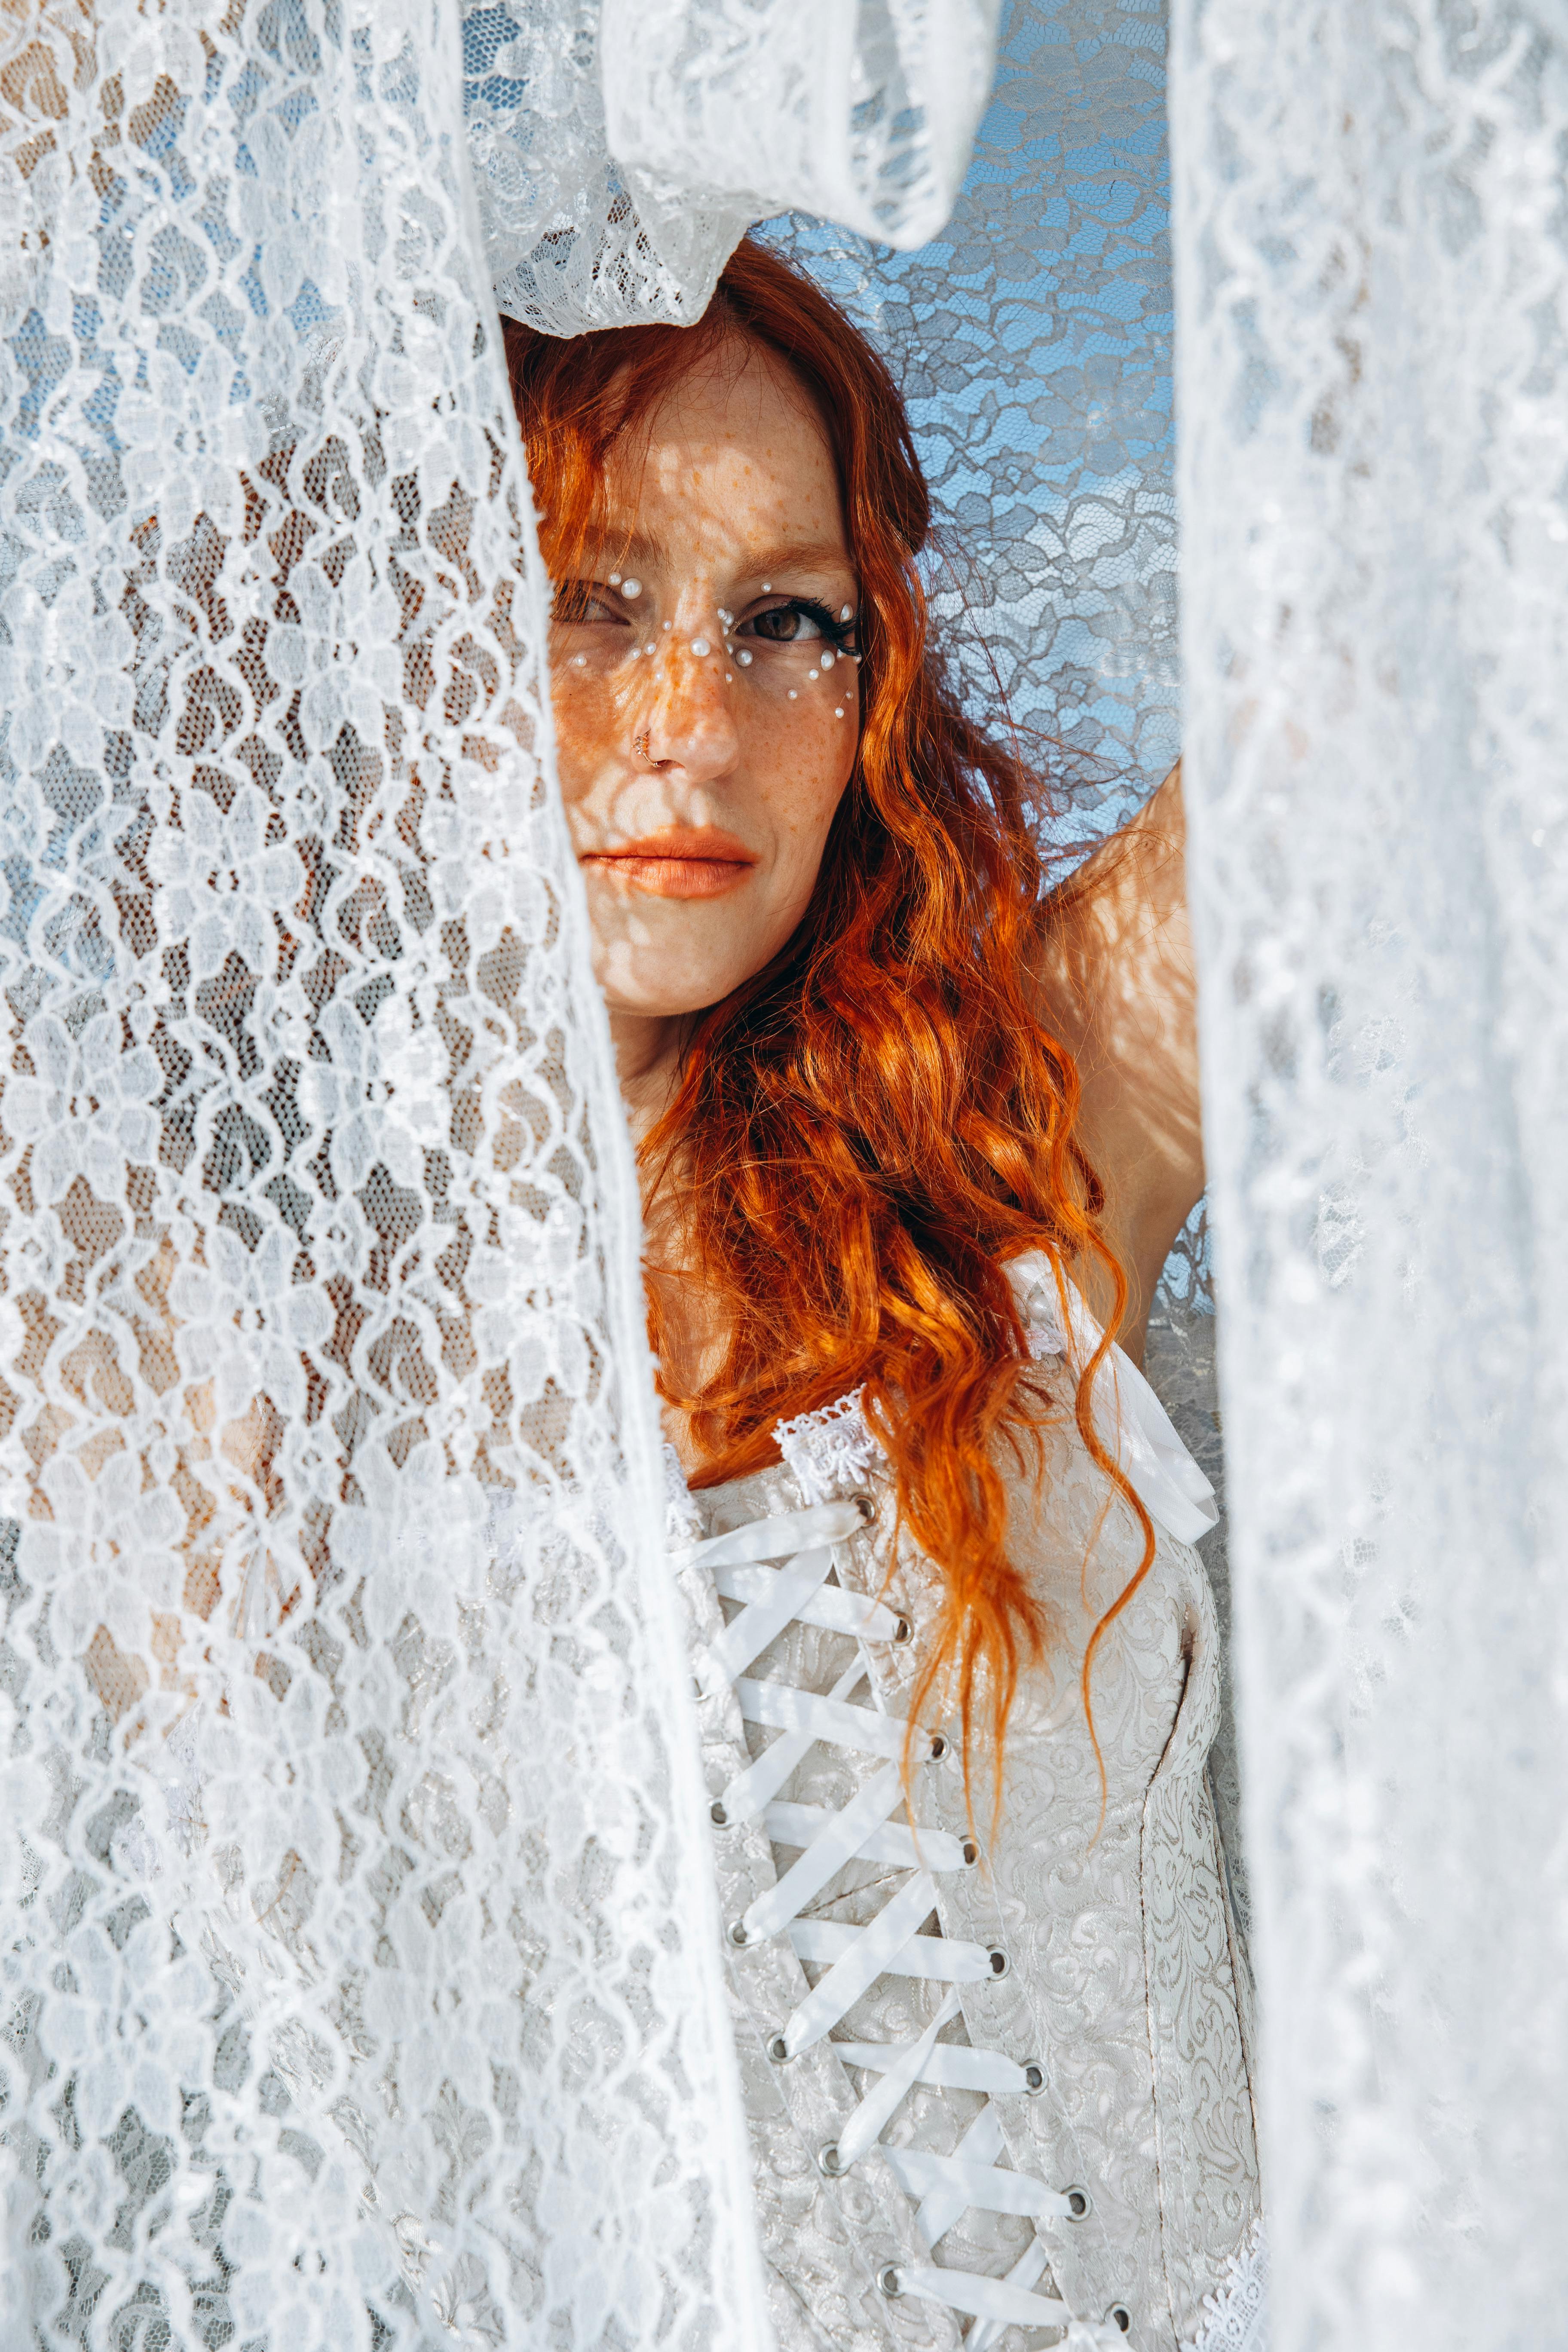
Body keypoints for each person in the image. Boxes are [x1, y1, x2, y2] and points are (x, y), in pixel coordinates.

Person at [503, 240, 1262, 2352]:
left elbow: (1399, 635)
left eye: (786, 625)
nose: (693, 728)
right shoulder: (186, 1333)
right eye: (592, 595)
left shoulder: (1003, 1159)